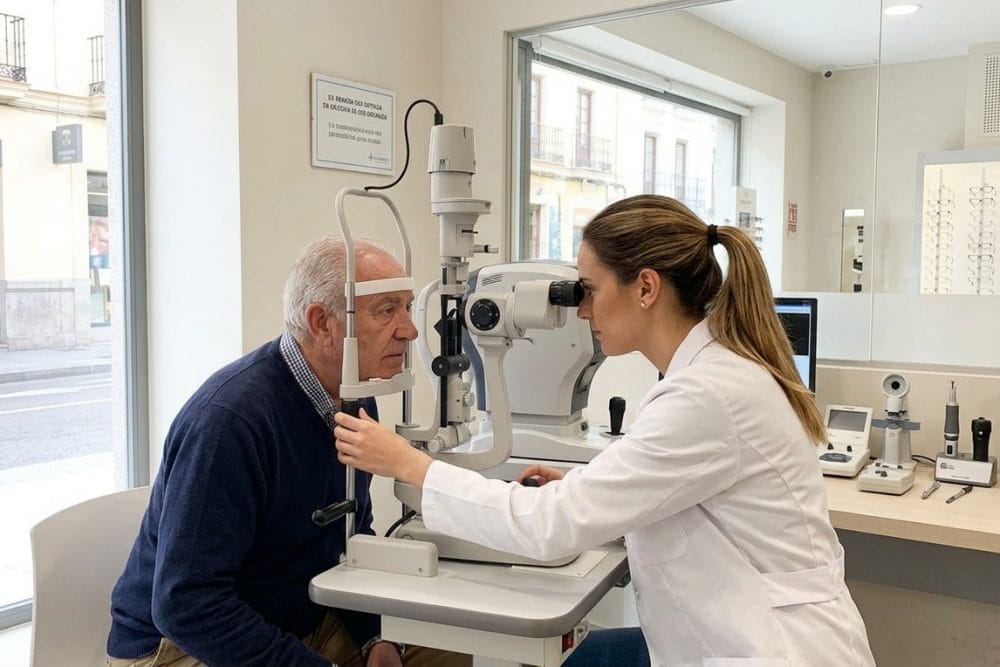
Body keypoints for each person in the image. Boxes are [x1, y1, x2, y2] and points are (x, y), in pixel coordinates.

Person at [333, 195, 877, 666]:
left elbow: (550, 527)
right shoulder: (713, 371)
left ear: (645, 288)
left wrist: (410, 465)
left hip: (769, 647)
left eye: (589, 289)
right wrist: (601, 498)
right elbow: (695, 504)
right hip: (741, 631)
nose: (581, 310)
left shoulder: (705, 395)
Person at [107, 237, 470, 667]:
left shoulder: (354, 397)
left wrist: (379, 636)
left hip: (298, 618)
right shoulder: (230, 421)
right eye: (386, 309)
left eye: (407, 307)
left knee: (465, 648)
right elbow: (186, 603)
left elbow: (352, 536)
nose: (410, 329)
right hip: (182, 645)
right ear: (321, 323)